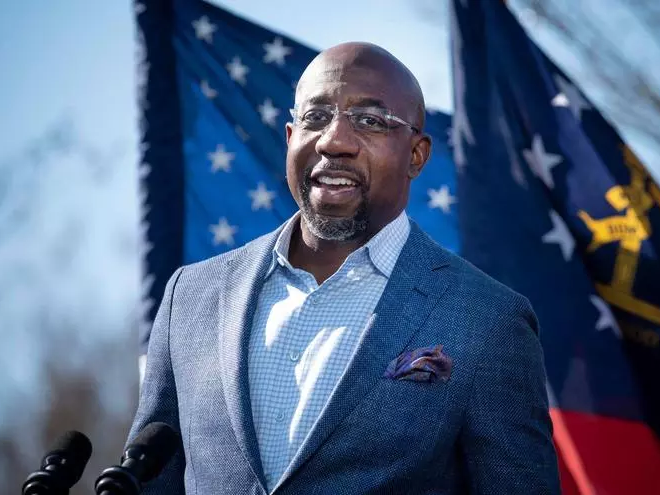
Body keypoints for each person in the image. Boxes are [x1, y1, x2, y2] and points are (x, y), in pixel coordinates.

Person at [128, 41, 560, 494]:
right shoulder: (190, 296)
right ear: (290, 138)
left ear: (416, 155)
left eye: (370, 121)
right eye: (316, 117)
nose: (333, 141)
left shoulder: (488, 320)